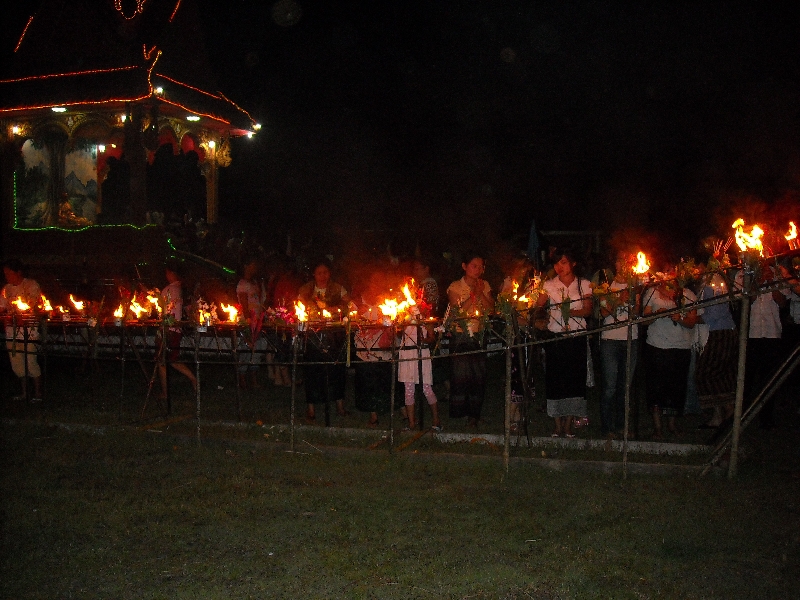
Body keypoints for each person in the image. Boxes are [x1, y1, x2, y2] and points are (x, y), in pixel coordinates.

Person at [536, 247, 593, 438]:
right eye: (557, 263)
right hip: (556, 337)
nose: (559, 267)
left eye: (564, 262)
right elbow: (538, 306)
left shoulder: (583, 284)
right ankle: (557, 425)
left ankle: (568, 425)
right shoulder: (549, 285)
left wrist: (569, 312)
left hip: (576, 337)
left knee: (573, 381)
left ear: (573, 263)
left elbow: (587, 310)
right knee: (555, 381)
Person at [642, 273, 700, 439]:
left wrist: (679, 318)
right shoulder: (652, 292)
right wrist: (656, 315)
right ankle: (657, 427)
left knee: (676, 386)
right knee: (656, 386)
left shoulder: (687, 294)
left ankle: (672, 424)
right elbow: (644, 320)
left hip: (680, 346)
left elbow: (691, 321)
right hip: (657, 345)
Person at [297, 258, 352, 422]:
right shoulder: (306, 289)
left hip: (333, 335)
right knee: (313, 371)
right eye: (319, 273)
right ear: (314, 274)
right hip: (313, 335)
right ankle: (311, 408)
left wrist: (337, 309)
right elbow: (298, 307)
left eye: (325, 272)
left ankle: (340, 405)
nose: (323, 276)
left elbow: (350, 305)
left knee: (335, 370)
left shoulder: (337, 288)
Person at [446, 251, 493, 428]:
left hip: (479, 334)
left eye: (481, 267)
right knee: (460, 375)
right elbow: (458, 312)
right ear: (464, 266)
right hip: (461, 334)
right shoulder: (455, 286)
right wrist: (473, 294)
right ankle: (460, 412)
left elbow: (491, 309)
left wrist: (481, 293)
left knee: (477, 376)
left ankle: (474, 414)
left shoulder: (484, 285)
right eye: (474, 266)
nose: (478, 270)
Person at [598, 252, 640, 439]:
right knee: (610, 387)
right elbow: (603, 313)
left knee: (626, 387)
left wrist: (631, 302)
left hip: (630, 338)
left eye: (626, 264)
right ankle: (608, 427)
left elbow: (637, 313)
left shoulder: (635, 287)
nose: (622, 267)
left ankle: (623, 426)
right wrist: (618, 300)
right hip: (610, 340)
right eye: (619, 263)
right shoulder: (606, 286)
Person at [695, 269, 737, 429]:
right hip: (724, 331)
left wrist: (693, 318)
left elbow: (714, 312)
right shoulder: (716, 283)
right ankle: (719, 414)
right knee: (719, 374)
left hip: (718, 332)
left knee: (705, 373)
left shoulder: (713, 283)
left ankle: (728, 409)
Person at [398, 279, 441, 431]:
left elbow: (431, 337)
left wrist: (424, 339)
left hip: (421, 353)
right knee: (408, 390)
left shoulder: (425, 318)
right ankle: (411, 423)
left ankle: (436, 421)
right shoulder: (403, 315)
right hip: (407, 354)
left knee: (426, 388)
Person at [0, 259, 43, 402]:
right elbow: (2, 308)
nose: (6, 276)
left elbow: (34, 305)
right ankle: (24, 393)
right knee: (17, 363)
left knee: (30, 360)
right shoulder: (6, 289)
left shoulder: (31, 285)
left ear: (18, 272)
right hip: (12, 331)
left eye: (9, 273)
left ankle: (37, 393)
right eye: (5, 273)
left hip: (28, 329)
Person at [157, 262, 197, 398]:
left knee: (162, 360)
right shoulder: (182, 289)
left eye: (167, 272)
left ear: (172, 273)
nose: (166, 275)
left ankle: (165, 392)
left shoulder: (168, 290)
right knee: (171, 359)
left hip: (168, 329)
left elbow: (162, 309)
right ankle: (193, 379)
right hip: (177, 329)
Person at [236, 258, 266, 389]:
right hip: (248, 321)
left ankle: (253, 379)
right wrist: (248, 320)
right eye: (253, 264)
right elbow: (244, 303)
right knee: (246, 349)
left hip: (257, 321)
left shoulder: (255, 283)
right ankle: (242, 378)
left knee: (256, 349)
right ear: (246, 266)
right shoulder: (242, 284)